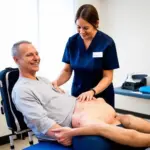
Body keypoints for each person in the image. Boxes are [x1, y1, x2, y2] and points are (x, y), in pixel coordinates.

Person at [11, 41, 149, 148]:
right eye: (29, 55)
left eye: (36, 53)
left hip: (89, 110)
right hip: (80, 119)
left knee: (127, 119)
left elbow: (60, 99)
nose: (36, 58)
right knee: (115, 129)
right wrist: (65, 134)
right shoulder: (22, 90)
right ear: (16, 60)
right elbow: (42, 122)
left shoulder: (44, 80)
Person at [52, 4, 119, 107]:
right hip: (78, 95)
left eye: (86, 28)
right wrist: (56, 83)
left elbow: (107, 77)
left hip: (101, 96)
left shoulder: (107, 43)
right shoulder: (72, 41)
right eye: (78, 27)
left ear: (96, 23)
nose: (81, 32)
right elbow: (67, 70)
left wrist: (92, 91)